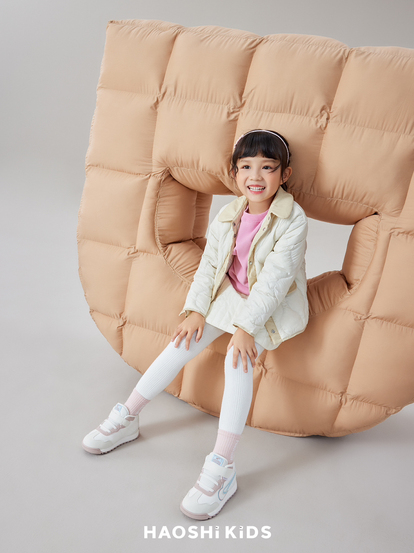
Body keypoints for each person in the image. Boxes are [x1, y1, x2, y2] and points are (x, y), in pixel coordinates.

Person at [82, 129, 309, 520]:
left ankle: (222, 466)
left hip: (269, 307)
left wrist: (245, 329)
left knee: (237, 361)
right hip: (230, 296)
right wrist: (196, 310)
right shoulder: (229, 214)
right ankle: (128, 416)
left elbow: (274, 283)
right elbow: (209, 268)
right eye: (246, 167)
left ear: (284, 174)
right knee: (181, 343)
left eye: (267, 168)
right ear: (235, 173)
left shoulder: (294, 219)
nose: (255, 176)